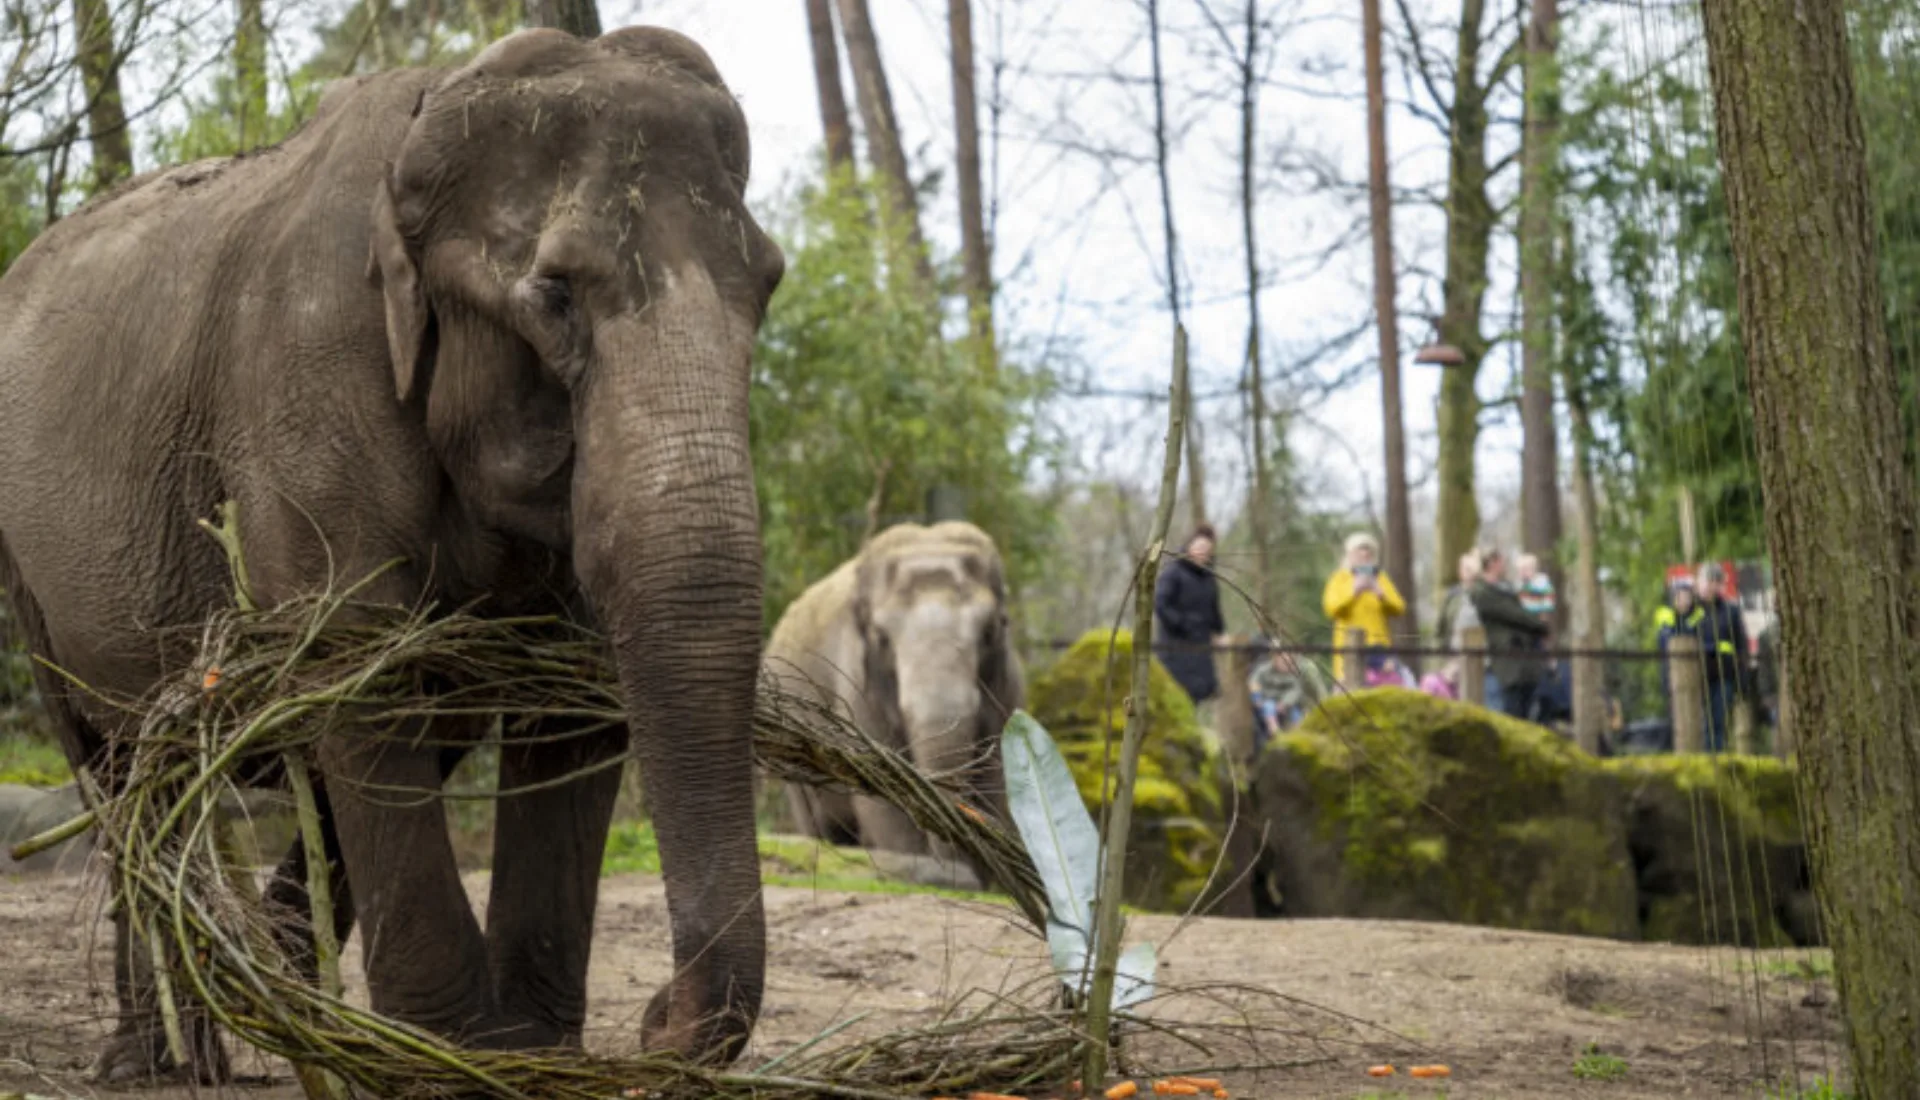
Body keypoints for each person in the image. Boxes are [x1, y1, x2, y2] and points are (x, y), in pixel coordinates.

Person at [1470, 548, 1549, 719]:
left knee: (1527, 711)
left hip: (1526, 663)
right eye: (1502, 561)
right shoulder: (1482, 592)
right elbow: (1514, 614)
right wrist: (1538, 625)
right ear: (1492, 563)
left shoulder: (1508, 588)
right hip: (1507, 664)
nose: (1505, 565)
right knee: (1511, 713)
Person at [1154, 524, 1226, 705]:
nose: (1203, 553)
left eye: (1207, 550)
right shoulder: (1173, 572)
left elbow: (1214, 610)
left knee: (1197, 697)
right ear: (1189, 546)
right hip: (1175, 647)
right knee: (1176, 696)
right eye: (1200, 547)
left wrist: (1219, 631)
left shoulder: (1209, 579)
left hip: (1201, 648)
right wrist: (1182, 624)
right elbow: (1161, 604)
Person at [1322, 532, 1405, 684]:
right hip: (1349, 647)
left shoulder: (1381, 578)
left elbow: (1399, 608)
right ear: (1350, 554)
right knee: (1351, 689)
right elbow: (1331, 609)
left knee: (1387, 687)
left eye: (1369, 551)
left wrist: (1381, 594)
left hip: (1380, 647)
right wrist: (1354, 592)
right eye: (1360, 550)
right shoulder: (1339, 578)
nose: (1365, 554)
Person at [1694, 563, 1751, 753]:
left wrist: (1741, 679)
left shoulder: (1730, 611)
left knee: (1717, 723)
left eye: (1716, 582)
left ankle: (1714, 761)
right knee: (1698, 723)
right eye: (1708, 581)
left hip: (1723, 675)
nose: (1711, 586)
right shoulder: (1690, 609)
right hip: (1695, 678)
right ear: (1699, 582)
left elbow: (1741, 645)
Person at [1435, 549, 1485, 697]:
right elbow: (1441, 628)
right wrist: (1444, 655)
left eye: (1471, 569)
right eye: (1465, 569)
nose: (1469, 573)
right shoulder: (1452, 596)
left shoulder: (1486, 594)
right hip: (1455, 654)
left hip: (1482, 657)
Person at [1247, 644, 1307, 754]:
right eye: (1283, 661)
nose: (1286, 665)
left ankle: (1298, 737)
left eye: (1289, 662)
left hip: (1285, 704)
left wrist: (1284, 703)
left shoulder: (1293, 676)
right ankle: (1274, 732)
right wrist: (1257, 698)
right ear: (1275, 659)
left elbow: (1294, 691)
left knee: (1296, 714)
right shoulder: (1264, 670)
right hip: (1266, 701)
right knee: (1269, 707)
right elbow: (1253, 683)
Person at [1516, 553, 1557, 622]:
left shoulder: (1541, 582)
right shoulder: (1520, 585)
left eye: (1524, 570)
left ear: (1533, 569)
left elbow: (1549, 599)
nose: (1522, 573)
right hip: (1525, 617)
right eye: (1520, 570)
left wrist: (1544, 609)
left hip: (1539, 614)